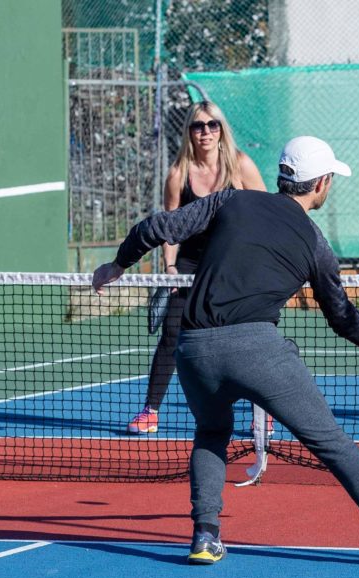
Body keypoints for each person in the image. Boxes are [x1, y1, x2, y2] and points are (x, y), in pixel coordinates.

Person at [93, 136, 359, 569]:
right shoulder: (315, 244)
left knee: (211, 433)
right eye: (331, 179)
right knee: (334, 444)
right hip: (258, 351)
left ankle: (205, 535)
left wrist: (117, 265)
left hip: (193, 350)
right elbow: (341, 316)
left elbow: (155, 228)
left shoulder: (229, 200)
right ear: (320, 183)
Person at [127, 101, 265, 435]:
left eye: (212, 125)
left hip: (232, 264)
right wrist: (170, 267)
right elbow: (169, 228)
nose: (205, 132)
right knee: (172, 335)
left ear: (221, 129)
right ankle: (150, 411)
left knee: (249, 336)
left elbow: (266, 212)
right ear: (189, 131)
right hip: (189, 265)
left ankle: (262, 411)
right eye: (198, 126)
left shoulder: (241, 166)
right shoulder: (178, 174)